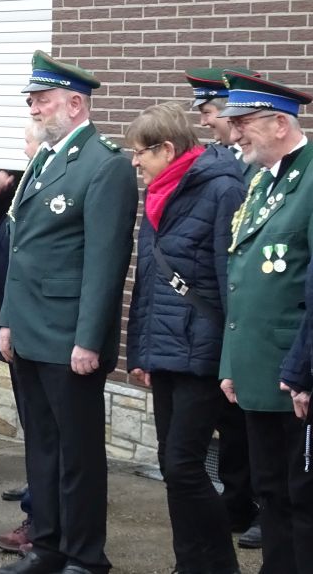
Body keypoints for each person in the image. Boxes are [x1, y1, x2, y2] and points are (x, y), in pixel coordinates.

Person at [0, 51, 138, 574]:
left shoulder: (105, 163)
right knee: (42, 448)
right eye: (32, 100)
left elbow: (105, 261)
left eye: (42, 99)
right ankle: (48, 546)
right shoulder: (46, 159)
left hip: (68, 335)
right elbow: (21, 251)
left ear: (75, 104)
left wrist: (89, 339)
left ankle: (84, 555)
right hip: (30, 329)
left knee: (77, 455)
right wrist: (8, 320)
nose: (33, 108)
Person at [124, 102, 245, 574]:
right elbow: (149, 281)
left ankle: (219, 566)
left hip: (202, 351)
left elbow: (230, 279)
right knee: (172, 464)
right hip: (165, 350)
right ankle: (189, 562)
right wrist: (141, 352)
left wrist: (231, 359)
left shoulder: (222, 189)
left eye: (141, 152)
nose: (135, 162)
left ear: (168, 149)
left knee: (183, 464)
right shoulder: (158, 194)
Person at [220, 72, 313, 573]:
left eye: (244, 123)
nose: (234, 134)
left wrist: (305, 371)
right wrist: (231, 364)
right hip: (259, 370)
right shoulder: (261, 181)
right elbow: (240, 281)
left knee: (303, 500)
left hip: (295, 374)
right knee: (271, 491)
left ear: (280, 123)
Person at [184, 66, 261, 549]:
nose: (206, 121)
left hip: (250, 311)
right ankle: (237, 502)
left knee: (253, 422)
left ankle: (260, 506)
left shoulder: (255, 165)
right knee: (232, 421)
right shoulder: (220, 159)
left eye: (210, 111)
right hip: (222, 311)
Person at [0, 124, 43, 557]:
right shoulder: (21, 185)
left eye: (26, 141)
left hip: (34, 328)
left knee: (43, 430)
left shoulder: (44, 186)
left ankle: (41, 512)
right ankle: (39, 494)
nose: (21, 149)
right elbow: (1, 228)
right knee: (33, 426)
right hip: (14, 327)